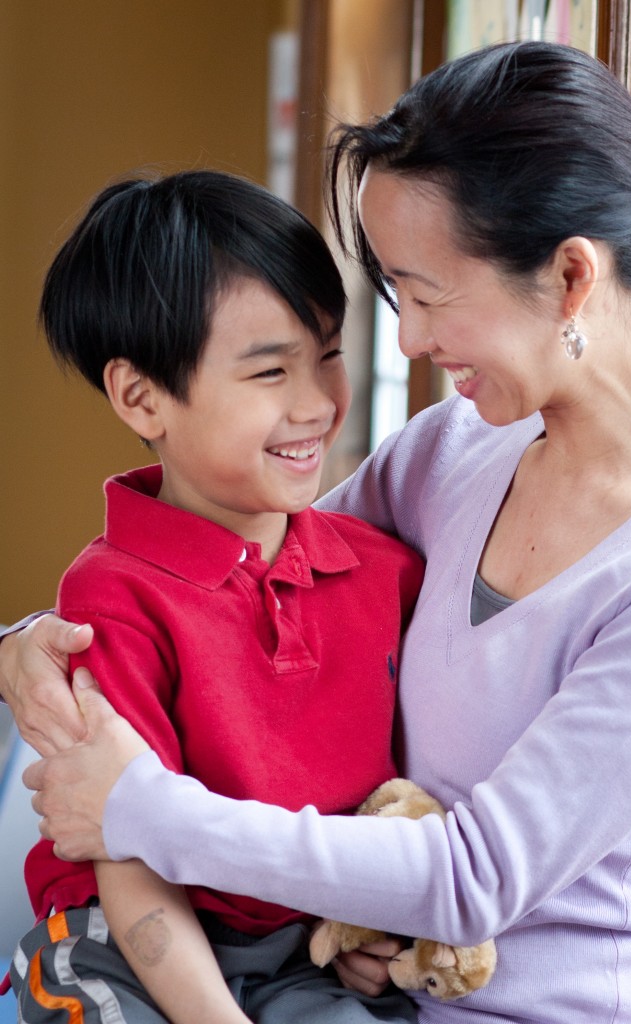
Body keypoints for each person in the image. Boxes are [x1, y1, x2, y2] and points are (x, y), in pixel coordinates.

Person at [3, 39, 631, 1024]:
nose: (404, 344)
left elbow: (471, 877)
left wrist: (141, 809)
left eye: (427, 294)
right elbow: (221, 590)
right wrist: (29, 651)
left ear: (570, 279)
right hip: (339, 991)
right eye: (394, 297)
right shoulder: (451, 453)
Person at [0, 170, 424, 1024]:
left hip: (304, 951)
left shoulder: (385, 568)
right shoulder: (109, 599)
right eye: (269, 371)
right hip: (119, 939)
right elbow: (119, 846)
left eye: (330, 354)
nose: (316, 403)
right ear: (141, 396)